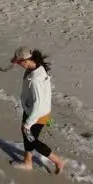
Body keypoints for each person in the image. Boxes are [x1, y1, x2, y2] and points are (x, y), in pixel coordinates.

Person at [11, 47, 66, 175]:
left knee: (32, 140)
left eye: (19, 62)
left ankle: (58, 161)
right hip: (35, 111)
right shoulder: (37, 66)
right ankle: (27, 161)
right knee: (27, 136)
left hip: (37, 115)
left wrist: (28, 123)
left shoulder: (36, 79)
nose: (18, 65)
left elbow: (39, 104)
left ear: (26, 60)